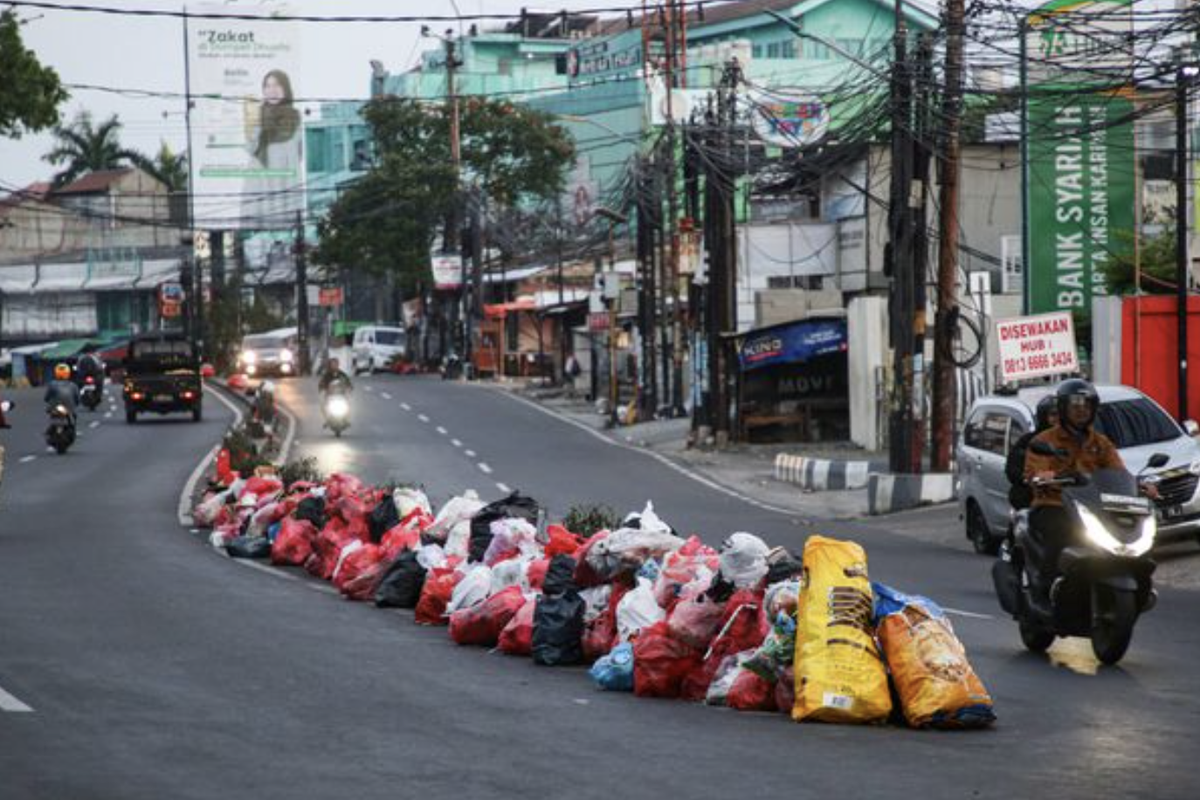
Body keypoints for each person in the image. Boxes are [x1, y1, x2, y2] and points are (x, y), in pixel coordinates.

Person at [1022, 379, 1128, 607]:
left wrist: (1140, 486)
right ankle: (1045, 587)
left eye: (1086, 405)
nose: (1082, 410)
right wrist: (1044, 476)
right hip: (1053, 504)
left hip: (1091, 506)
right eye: (1075, 405)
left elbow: (1117, 471)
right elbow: (1035, 470)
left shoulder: (1101, 443)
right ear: (1063, 408)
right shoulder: (1044, 440)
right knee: (1061, 533)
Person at [241, 69, 302, 223]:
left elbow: (299, 152)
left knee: (287, 226)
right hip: (260, 178)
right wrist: (254, 122)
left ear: (285, 88)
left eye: (276, 85)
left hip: (285, 178)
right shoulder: (258, 115)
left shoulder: (296, 116)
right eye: (267, 86)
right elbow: (250, 147)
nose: (272, 90)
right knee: (257, 225)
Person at [1005, 395, 1059, 511]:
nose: (1058, 419)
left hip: (1066, 500)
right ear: (1043, 416)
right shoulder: (1029, 441)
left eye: (1061, 415)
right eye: (1053, 414)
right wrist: (1032, 478)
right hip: (1034, 499)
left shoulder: (1073, 440)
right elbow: (1013, 470)